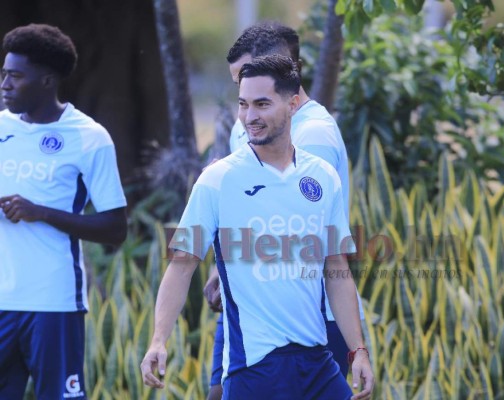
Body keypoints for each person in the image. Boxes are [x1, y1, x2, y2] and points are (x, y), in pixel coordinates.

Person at [141, 54, 373, 400]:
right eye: (243, 104)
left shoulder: (322, 176)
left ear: (292, 104)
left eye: (262, 104)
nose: (250, 116)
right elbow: (182, 265)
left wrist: (358, 350)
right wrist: (159, 338)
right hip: (255, 368)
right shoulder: (217, 180)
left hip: (318, 362)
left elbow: (336, 268)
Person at [203, 22, 366, 400]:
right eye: (238, 89)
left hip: (308, 321)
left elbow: (314, 243)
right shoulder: (247, 127)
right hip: (247, 309)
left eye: (252, 85)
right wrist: (220, 265)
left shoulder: (314, 137)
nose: (245, 105)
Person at [0, 24, 127, 399]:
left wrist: (41, 212)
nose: (5, 84)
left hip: (53, 303)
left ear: (47, 81)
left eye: (16, 76)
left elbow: (115, 229)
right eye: (3, 74)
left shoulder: (89, 137)